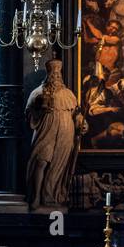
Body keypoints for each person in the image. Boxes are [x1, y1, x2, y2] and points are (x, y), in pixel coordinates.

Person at [25, 60, 86, 211]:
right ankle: (36, 196)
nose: (56, 77)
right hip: (46, 131)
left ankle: (52, 196)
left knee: (59, 165)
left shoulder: (68, 94)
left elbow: (76, 114)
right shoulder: (38, 92)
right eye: (53, 74)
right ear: (48, 75)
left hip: (66, 133)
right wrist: (38, 105)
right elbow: (29, 113)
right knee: (41, 161)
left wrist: (81, 123)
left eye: (58, 74)